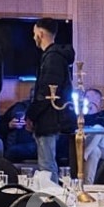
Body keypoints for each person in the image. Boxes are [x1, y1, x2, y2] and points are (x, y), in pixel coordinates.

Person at [27, 17, 74, 181]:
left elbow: (45, 93)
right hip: (53, 118)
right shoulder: (54, 56)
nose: (33, 37)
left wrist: (31, 115)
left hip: (49, 119)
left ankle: (51, 196)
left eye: (34, 33)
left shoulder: (52, 58)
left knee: (47, 166)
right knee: (47, 164)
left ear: (40, 33)